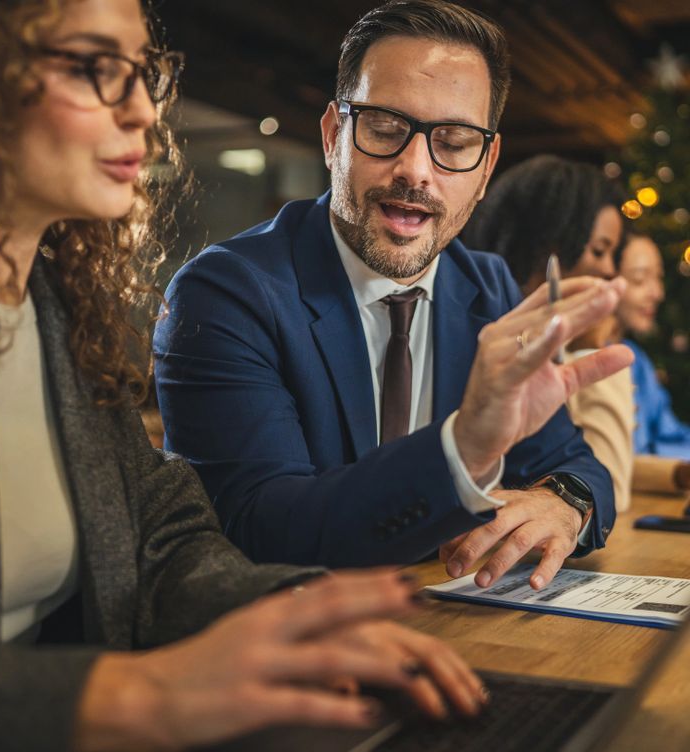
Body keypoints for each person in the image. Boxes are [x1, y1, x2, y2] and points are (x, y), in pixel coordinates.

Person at [0, 0, 491, 752]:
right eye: (93, 67)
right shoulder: (229, 288)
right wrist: (134, 695)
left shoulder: (55, 305)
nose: (143, 109)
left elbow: (161, 536)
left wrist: (296, 617)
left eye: (142, 73)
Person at [154, 0, 631, 590]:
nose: (416, 170)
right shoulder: (226, 293)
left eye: (454, 143)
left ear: (485, 169)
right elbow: (259, 527)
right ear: (334, 136)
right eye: (384, 128)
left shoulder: (490, 288)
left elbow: (577, 465)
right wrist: (461, 452)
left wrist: (564, 504)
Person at [461, 155, 636, 511]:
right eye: (599, 251)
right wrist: (592, 343)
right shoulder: (491, 346)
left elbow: (587, 468)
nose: (608, 270)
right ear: (547, 247)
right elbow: (614, 488)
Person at [617, 235, 690, 492]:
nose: (657, 293)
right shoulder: (572, 361)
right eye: (639, 279)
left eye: (658, 277)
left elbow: (670, 435)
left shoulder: (636, 360)